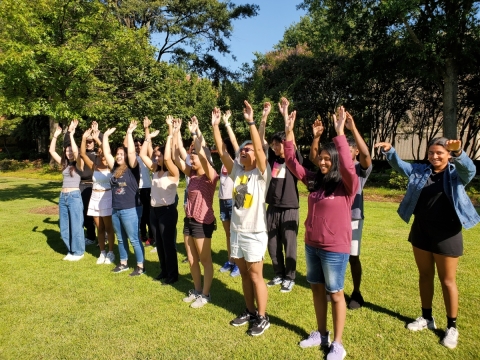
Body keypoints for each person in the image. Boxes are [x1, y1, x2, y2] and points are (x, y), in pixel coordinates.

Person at [375, 137, 480, 350]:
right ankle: (427, 317)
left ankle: (452, 326)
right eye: (431, 153)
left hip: (447, 233)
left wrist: (459, 152)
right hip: (421, 230)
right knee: (424, 275)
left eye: (440, 153)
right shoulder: (421, 171)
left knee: (447, 281)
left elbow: (469, 170)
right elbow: (402, 166)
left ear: (448, 154)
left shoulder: (455, 173)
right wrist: (391, 151)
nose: (434, 157)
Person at [285, 107, 358, 359]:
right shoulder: (315, 180)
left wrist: (339, 133)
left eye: (329, 159)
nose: (324, 162)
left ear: (336, 160)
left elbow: (349, 167)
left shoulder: (348, 184)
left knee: (335, 293)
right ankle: (321, 333)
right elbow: (292, 163)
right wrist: (288, 132)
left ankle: (337, 343)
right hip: (312, 244)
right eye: (322, 158)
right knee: (317, 289)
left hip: (335, 248)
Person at [212, 103, 272, 336]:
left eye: (247, 151)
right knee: (245, 274)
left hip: (255, 231)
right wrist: (216, 126)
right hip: (237, 230)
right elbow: (222, 149)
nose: (244, 152)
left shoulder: (260, 174)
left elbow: (258, 149)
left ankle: (263, 316)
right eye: (242, 151)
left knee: (256, 275)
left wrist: (251, 122)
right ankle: (249, 310)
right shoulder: (238, 172)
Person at [309, 112, 372, 308]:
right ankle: (334, 288)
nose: (348, 151)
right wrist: (317, 137)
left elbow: (367, 155)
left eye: (352, 149)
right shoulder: (333, 167)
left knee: (353, 257)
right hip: (334, 220)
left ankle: (356, 292)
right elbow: (314, 158)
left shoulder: (359, 169)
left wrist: (350, 129)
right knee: (334, 254)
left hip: (353, 217)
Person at [173, 116, 218, 308]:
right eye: (191, 155)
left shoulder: (211, 175)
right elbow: (174, 157)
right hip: (189, 220)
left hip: (203, 221)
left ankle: (206, 294)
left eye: (194, 156)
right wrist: (174, 132)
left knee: (205, 259)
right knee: (191, 258)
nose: (191, 157)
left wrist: (195, 132)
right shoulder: (191, 174)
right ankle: (197, 290)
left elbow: (201, 152)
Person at [261, 98, 302, 293]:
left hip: (290, 208)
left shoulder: (293, 160)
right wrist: (264, 117)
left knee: (289, 244)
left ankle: (290, 277)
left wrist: (286, 115)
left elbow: (290, 143)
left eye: (279, 145)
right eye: (274, 145)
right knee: (272, 243)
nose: (276, 148)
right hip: (273, 207)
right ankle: (278, 273)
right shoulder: (272, 160)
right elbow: (260, 142)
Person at [139, 116, 180, 285]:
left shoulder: (173, 172)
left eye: (158, 155)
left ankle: (173, 275)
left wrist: (170, 131)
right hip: (154, 211)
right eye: (155, 156)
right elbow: (142, 154)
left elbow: (169, 158)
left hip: (167, 211)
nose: (156, 158)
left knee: (168, 244)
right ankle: (164, 271)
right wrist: (147, 132)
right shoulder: (155, 169)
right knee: (160, 244)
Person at [103, 121, 145, 276]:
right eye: (118, 154)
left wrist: (129, 133)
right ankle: (123, 263)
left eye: (122, 154)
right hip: (116, 208)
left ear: (126, 156)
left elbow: (133, 154)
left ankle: (140, 266)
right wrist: (105, 136)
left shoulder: (133, 167)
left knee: (134, 239)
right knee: (121, 239)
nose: (118, 156)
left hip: (130, 209)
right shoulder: (115, 168)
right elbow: (107, 153)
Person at [49, 120, 85, 261]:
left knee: (76, 225)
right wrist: (56, 136)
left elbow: (76, 151)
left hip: (74, 196)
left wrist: (71, 133)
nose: (69, 152)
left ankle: (79, 252)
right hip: (63, 196)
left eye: (71, 151)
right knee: (64, 226)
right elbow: (52, 151)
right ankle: (70, 250)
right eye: (67, 150)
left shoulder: (79, 164)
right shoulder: (64, 164)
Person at [80, 124, 115, 265]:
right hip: (95, 197)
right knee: (99, 227)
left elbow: (107, 151)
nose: (101, 155)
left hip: (107, 197)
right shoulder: (94, 166)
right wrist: (83, 138)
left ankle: (111, 252)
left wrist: (100, 139)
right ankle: (102, 252)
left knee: (108, 228)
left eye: (103, 153)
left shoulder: (112, 166)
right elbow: (82, 154)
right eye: (99, 153)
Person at [215, 110, 241, 277]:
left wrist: (226, 123)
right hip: (223, 201)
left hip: (234, 201)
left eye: (223, 147)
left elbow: (233, 141)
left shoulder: (236, 161)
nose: (220, 149)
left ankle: (238, 263)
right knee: (228, 233)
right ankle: (230, 260)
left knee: (236, 233)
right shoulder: (223, 164)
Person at [64, 123, 96, 246]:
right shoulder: (81, 154)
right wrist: (69, 132)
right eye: (86, 142)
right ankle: (91, 236)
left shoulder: (98, 153)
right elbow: (70, 149)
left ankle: (103, 237)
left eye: (90, 141)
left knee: (98, 213)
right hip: (81, 186)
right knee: (85, 213)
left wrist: (97, 134)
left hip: (94, 185)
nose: (88, 143)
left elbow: (104, 146)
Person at [134, 124, 153, 245]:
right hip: (136, 189)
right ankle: (143, 235)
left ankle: (151, 236)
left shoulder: (146, 157)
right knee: (139, 215)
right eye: (136, 145)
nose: (138, 147)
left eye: (140, 145)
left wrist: (147, 129)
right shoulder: (132, 158)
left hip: (147, 188)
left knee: (148, 215)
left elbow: (149, 143)